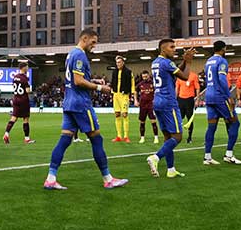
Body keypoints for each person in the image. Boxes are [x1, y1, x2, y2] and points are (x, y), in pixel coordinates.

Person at [43, 28, 128, 190]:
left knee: (65, 139)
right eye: (93, 42)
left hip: (69, 103)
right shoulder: (80, 55)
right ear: (85, 38)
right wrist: (98, 87)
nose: (94, 46)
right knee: (97, 139)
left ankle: (51, 178)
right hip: (81, 104)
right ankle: (108, 178)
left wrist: (94, 79)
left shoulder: (71, 54)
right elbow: (78, 81)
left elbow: (76, 78)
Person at [146, 39, 196, 178]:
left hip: (157, 101)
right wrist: (189, 61)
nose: (175, 49)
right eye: (172, 47)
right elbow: (185, 76)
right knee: (178, 136)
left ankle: (171, 169)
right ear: (163, 49)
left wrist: (184, 60)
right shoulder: (167, 63)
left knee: (168, 137)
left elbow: (175, 71)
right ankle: (155, 157)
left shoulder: (156, 62)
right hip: (168, 102)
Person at [201, 40, 241, 166]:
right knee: (235, 123)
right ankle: (229, 155)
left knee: (211, 126)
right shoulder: (222, 61)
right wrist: (228, 96)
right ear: (223, 49)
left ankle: (207, 157)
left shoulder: (208, 61)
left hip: (209, 96)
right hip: (220, 97)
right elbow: (221, 79)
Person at [3, 64, 35, 144]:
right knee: (26, 119)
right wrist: (31, 91)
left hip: (15, 99)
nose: (27, 68)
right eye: (27, 67)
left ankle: (6, 134)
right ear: (23, 68)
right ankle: (27, 139)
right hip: (23, 100)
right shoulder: (24, 78)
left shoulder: (15, 77)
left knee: (14, 117)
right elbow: (27, 91)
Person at [110, 56, 134, 143]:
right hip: (116, 95)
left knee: (124, 114)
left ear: (123, 62)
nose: (118, 64)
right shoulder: (114, 72)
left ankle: (126, 136)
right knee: (117, 114)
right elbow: (113, 82)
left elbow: (132, 83)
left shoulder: (128, 72)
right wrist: (112, 92)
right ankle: (119, 136)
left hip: (124, 95)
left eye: (119, 62)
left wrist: (132, 94)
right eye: (117, 62)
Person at [175, 66, 200, 144]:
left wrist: (197, 100)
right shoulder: (180, 77)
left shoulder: (193, 76)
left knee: (189, 118)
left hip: (189, 100)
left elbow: (197, 88)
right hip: (180, 99)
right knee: (179, 119)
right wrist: (174, 99)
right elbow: (177, 88)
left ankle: (189, 137)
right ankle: (178, 136)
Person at [135, 70, 160, 144]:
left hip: (151, 105)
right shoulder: (140, 84)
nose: (144, 78)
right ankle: (142, 138)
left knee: (153, 121)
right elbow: (135, 91)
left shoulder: (153, 83)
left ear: (148, 76)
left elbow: (158, 92)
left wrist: (156, 100)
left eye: (146, 76)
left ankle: (156, 137)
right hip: (142, 105)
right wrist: (136, 100)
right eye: (143, 77)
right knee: (142, 122)